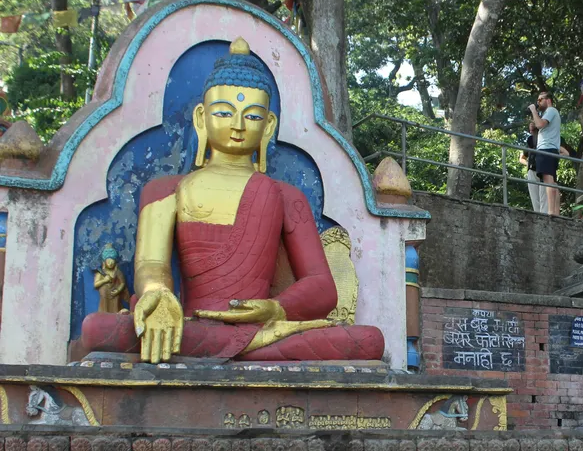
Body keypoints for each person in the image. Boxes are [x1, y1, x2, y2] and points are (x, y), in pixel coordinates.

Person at [81, 37, 385, 363]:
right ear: (201, 118)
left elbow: (323, 288)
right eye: (224, 113)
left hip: (258, 325)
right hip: (193, 325)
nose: (238, 126)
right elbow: (151, 265)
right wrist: (158, 296)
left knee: (368, 340)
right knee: (96, 330)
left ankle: (256, 339)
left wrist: (276, 308)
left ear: (269, 126)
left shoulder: (287, 196)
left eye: (252, 116)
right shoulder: (165, 190)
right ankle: (256, 344)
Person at [528, 92, 569, 216]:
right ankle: (555, 211)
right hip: (549, 149)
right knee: (551, 182)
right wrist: (534, 128)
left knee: (548, 181)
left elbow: (540, 124)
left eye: (540, 100)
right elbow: (540, 127)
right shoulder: (549, 114)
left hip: (546, 150)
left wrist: (533, 110)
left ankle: (551, 212)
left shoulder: (551, 110)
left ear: (548, 100)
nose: (538, 102)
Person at [519, 121, 548, 214]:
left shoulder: (545, 138)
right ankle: (537, 215)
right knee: (535, 197)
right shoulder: (530, 140)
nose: (531, 129)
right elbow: (521, 158)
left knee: (544, 197)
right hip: (532, 170)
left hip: (543, 170)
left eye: (533, 126)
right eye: (530, 127)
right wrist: (528, 164)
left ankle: (543, 215)